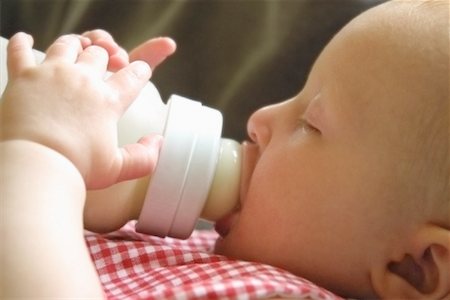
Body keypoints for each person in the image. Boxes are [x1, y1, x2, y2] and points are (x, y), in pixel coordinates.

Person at [0, 1, 448, 299]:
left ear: (414, 266)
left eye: (310, 123)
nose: (258, 119)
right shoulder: (215, 245)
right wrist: (101, 168)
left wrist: (46, 151)